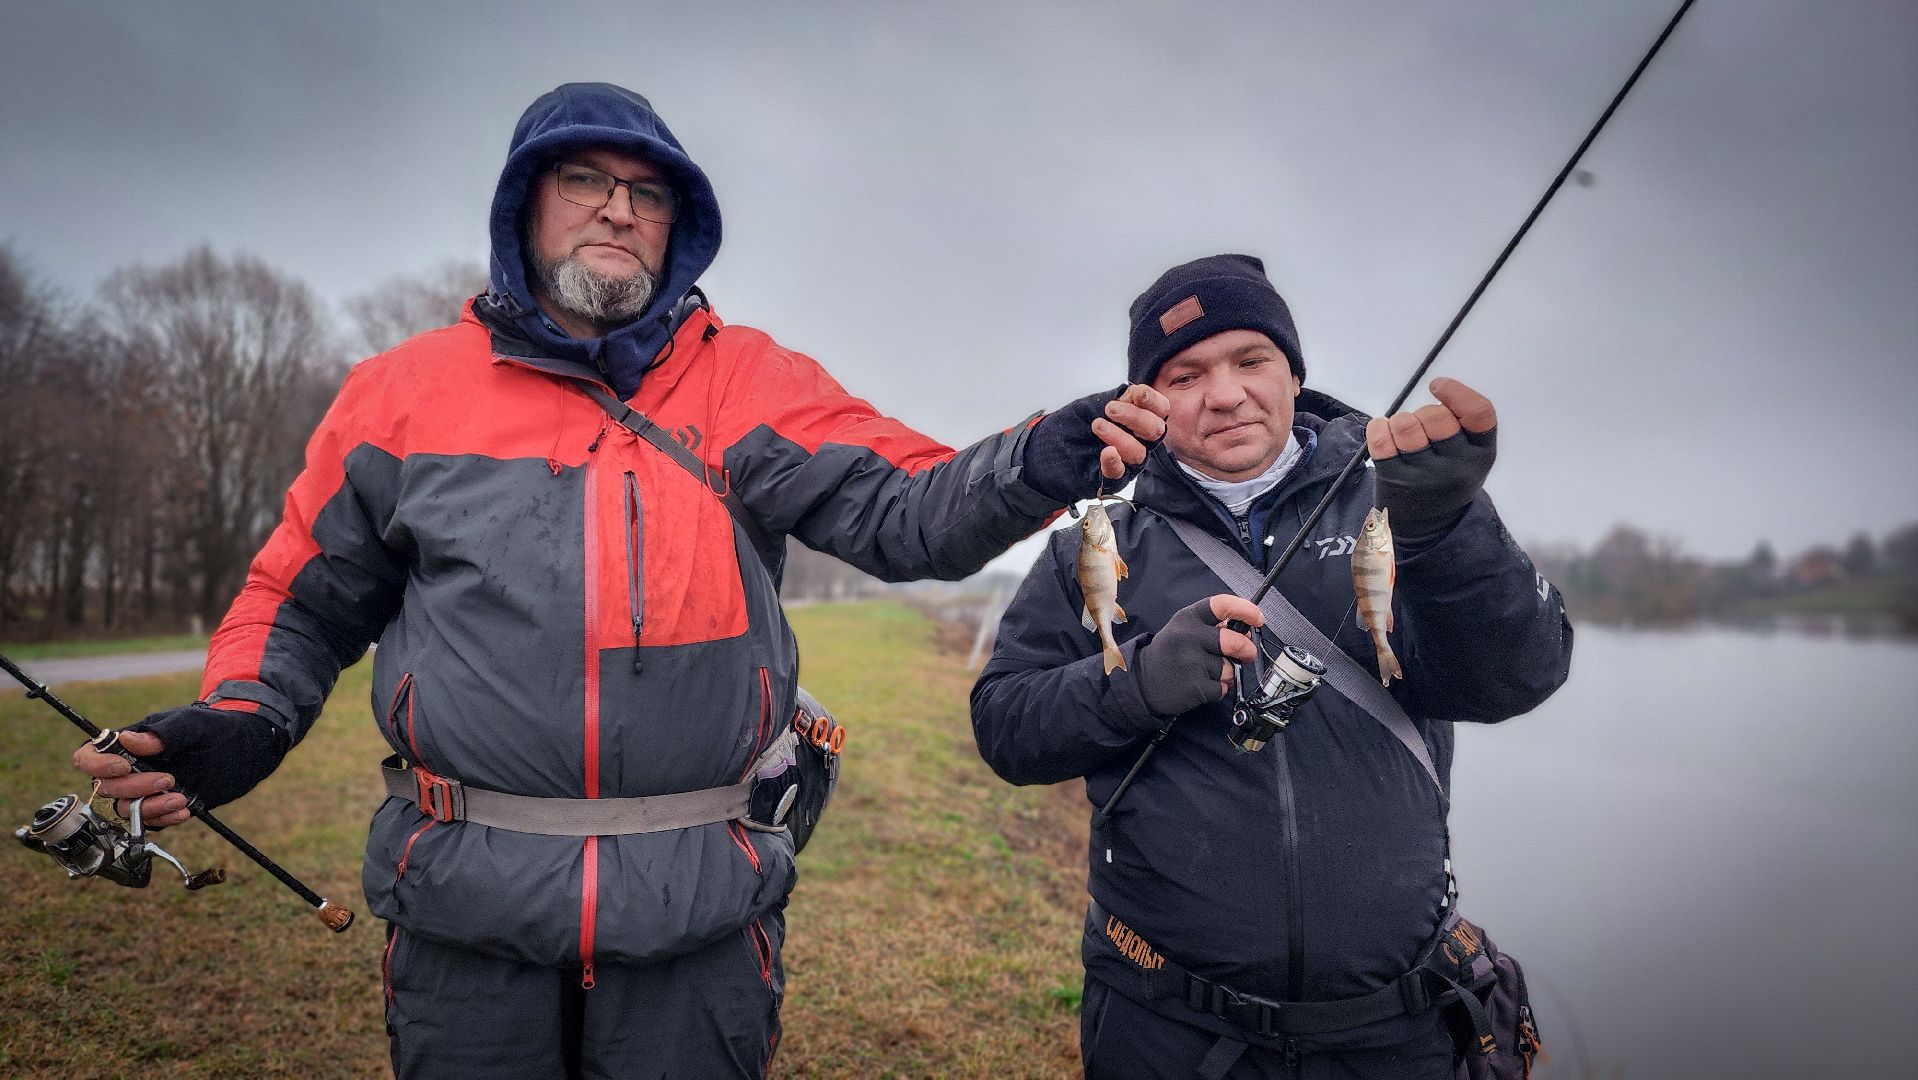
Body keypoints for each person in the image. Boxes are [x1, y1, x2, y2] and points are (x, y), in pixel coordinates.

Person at [70, 82, 1169, 1079]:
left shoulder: (751, 383)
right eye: (584, 180)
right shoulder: (398, 397)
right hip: (464, 921)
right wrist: (244, 718)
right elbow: (298, 601)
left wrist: (1038, 456)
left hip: (696, 918)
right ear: (523, 207)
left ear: (678, 227)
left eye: (647, 193)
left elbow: (909, 510)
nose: (617, 209)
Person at [971, 254, 1573, 1079]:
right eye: (1185, 374)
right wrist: (1137, 682)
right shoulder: (1095, 543)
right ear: (1148, 401)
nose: (1224, 394)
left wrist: (1449, 529)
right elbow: (1005, 728)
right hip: (1163, 1028)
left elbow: (1520, 675)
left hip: (1395, 1031)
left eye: (1251, 360)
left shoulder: (1400, 502)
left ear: (1293, 371)